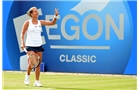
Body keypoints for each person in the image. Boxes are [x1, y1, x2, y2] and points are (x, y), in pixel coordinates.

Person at [20, 6, 59, 87]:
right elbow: (22, 33)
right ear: (31, 14)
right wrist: (22, 43)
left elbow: (52, 23)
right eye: (35, 12)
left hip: (38, 45)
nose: (37, 13)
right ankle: (27, 76)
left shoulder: (40, 22)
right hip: (30, 45)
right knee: (32, 63)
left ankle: (37, 81)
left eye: (37, 11)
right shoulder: (27, 23)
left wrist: (55, 16)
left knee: (38, 63)